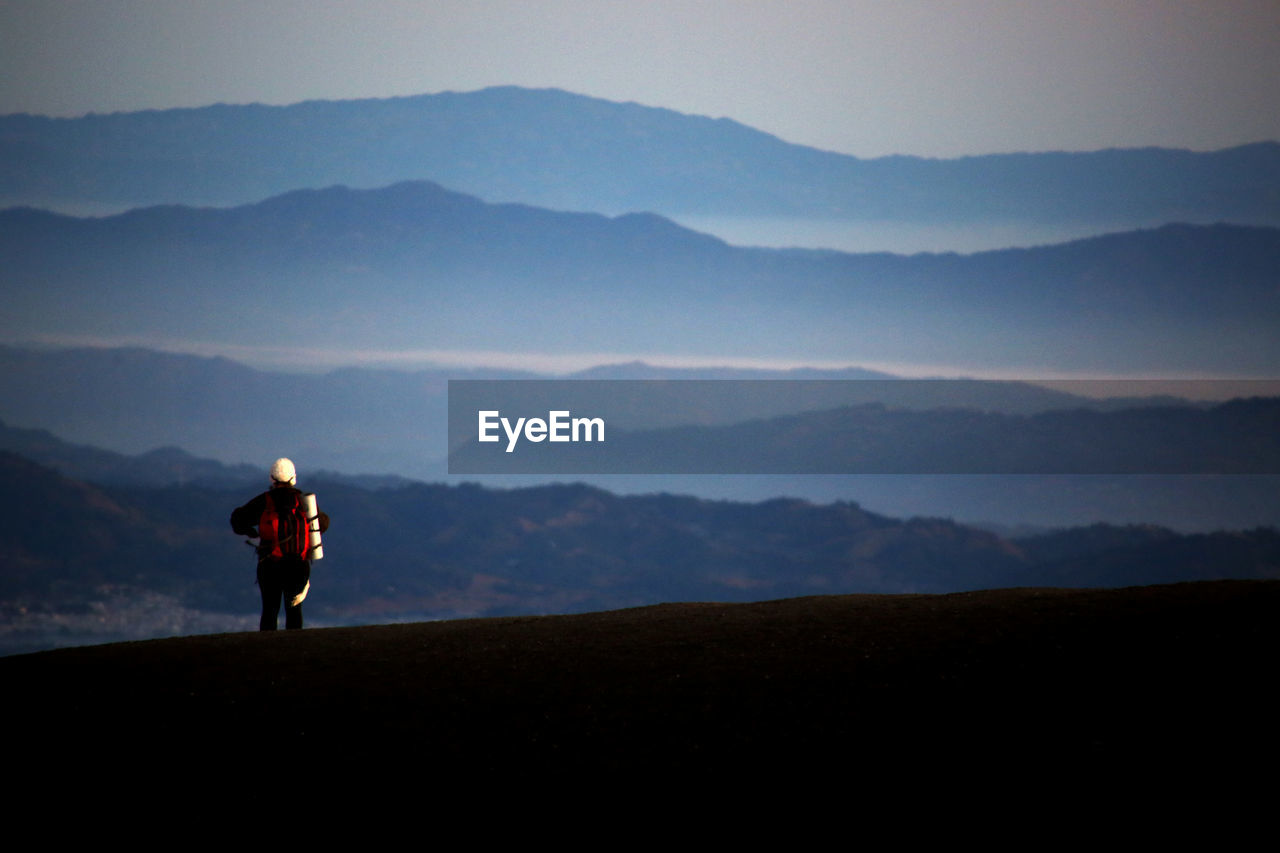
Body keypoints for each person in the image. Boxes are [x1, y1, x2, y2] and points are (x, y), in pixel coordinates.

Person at [229, 457, 329, 631]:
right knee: (294, 612)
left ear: (272, 479)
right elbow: (323, 524)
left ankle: (267, 651)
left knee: (269, 610)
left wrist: (252, 533)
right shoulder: (304, 502)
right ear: (293, 478)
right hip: (298, 566)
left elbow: (237, 520)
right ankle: (294, 651)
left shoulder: (265, 501)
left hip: (270, 565)